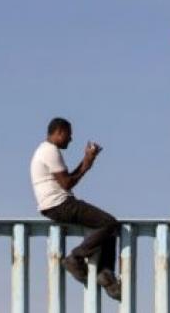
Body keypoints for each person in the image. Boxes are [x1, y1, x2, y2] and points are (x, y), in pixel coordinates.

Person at [30, 117, 121, 301]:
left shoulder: (45, 150)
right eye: (69, 135)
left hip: (54, 204)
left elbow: (67, 178)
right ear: (59, 132)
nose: (71, 140)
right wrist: (86, 166)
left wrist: (86, 161)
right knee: (109, 223)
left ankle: (105, 273)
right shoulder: (49, 151)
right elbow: (67, 183)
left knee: (109, 228)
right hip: (59, 205)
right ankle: (77, 258)